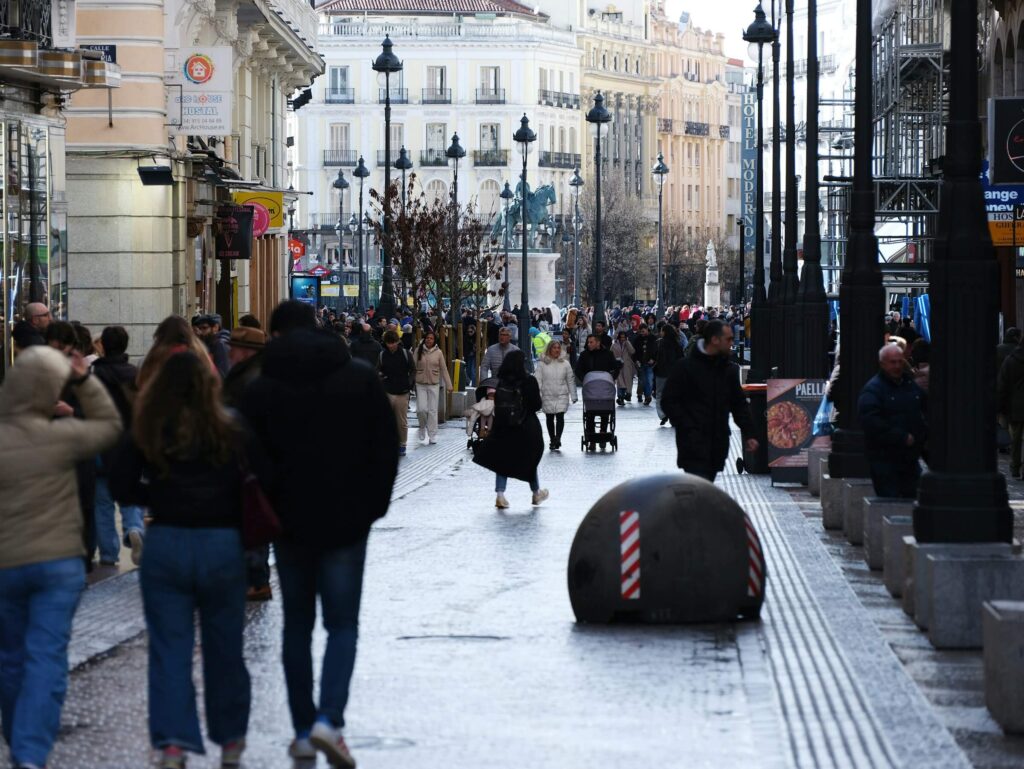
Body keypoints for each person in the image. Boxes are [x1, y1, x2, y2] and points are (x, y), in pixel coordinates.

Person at [240, 300, 398, 769]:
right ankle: (331, 719)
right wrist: (373, 506)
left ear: (275, 336)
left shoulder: (262, 387)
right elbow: (384, 447)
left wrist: (272, 503)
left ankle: (304, 730)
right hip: (348, 522)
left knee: (297, 626)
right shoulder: (359, 378)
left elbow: (250, 456)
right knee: (342, 625)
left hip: (289, 523)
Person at [111, 351, 263, 769]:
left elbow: (121, 482)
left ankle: (174, 742)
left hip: (168, 540)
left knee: (169, 648)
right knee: (225, 646)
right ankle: (231, 738)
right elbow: (257, 482)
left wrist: (156, 496)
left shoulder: (148, 429)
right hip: (221, 543)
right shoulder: (232, 428)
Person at [0, 346, 121, 769]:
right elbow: (109, 427)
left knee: (10, 655)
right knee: (46, 654)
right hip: (58, 562)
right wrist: (85, 381)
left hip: (6, 563)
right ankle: (29, 752)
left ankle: (17, 735)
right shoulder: (61, 436)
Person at [660, 320, 758, 482]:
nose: (731, 344)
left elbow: (739, 404)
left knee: (705, 485)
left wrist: (750, 434)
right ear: (714, 340)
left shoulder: (728, 370)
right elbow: (668, 401)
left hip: (717, 443)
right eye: (728, 339)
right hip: (692, 443)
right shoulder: (685, 368)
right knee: (698, 487)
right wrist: (687, 425)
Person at [92, 325, 146, 567]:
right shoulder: (134, 374)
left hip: (102, 444)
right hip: (129, 444)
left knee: (102, 502)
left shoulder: (95, 376)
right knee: (130, 493)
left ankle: (108, 554)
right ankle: (134, 527)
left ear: (102, 345)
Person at [471, 350, 548, 508]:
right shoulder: (529, 381)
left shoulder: (500, 382)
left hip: (504, 427)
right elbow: (536, 405)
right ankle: (536, 492)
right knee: (529, 459)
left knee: (502, 459)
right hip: (525, 426)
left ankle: (500, 494)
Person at [858, 343, 928, 498]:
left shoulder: (909, 385)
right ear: (882, 364)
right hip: (885, 459)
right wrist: (901, 437)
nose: (897, 366)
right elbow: (871, 422)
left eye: (899, 361)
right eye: (892, 362)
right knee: (891, 503)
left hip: (910, 458)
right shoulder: (874, 389)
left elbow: (924, 408)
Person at [535, 339, 577, 451]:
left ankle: (557, 438)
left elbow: (570, 380)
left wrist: (573, 395)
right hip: (547, 394)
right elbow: (538, 380)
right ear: (549, 349)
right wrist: (537, 395)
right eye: (554, 348)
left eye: (558, 348)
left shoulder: (565, 363)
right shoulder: (542, 364)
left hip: (561, 394)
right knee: (549, 417)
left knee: (560, 416)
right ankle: (552, 439)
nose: (557, 350)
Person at [379, 328, 415, 457]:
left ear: (397, 341)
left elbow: (413, 370)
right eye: (389, 343)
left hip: (402, 391)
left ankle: (402, 444)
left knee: (401, 421)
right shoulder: (383, 355)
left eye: (393, 342)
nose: (391, 345)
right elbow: (379, 370)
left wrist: (409, 384)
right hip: (388, 390)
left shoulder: (406, 354)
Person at [414, 329, 453, 446]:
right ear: (424, 339)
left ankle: (432, 434)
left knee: (432, 411)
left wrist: (449, 385)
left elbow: (444, 369)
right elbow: (412, 365)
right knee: (421, 409)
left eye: (431, 338)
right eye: (427, 338)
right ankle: (422, 427)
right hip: (420, 383)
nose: (429, 340)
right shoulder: (418, 350)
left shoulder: (439, 352)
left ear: (434, 340)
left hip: (434, 384)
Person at [222, 326, 266, 409]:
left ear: (245, 352)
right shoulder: (249, 371)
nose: (229, 354)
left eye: (233, 350)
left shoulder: (248, 379)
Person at [999, 336, 1024, 478]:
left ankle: (1015, 467)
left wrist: (1001, 405)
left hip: (1015, 406)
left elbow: (1003, 384)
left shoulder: (1010, 360)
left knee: (1015, 438)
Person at [654, 323, 683, 425]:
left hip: (662, 373)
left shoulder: (661, 343)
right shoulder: (677, 343)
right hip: (674, 373)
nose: (660, 332)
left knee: (660, 394)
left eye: (662, 330)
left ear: (665, 332)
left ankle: (663, 414)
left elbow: (659, 358)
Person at [632, 324, 658, 406]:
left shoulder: (653, 338)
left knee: (649, 381)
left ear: (647, 329)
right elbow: (634, 352)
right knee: (642, 381)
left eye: (643, 331)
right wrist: (636, 360)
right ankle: (643, 395)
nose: (642, 333)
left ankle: (647, 397)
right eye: (640, 332)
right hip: (641, 363)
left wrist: (653, 359)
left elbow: (657, 351)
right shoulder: (637, 339)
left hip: (650, 364)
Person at [611, 330, 636, 406]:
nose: (622, 339)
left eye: (624, 337)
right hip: (618, 366)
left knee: (627, 381)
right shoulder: (614, 345)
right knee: (620, 382)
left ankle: (627, 394)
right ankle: (620, 397)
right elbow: (610, 354)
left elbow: (632, 351)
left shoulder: (627, 344)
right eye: (621, 337)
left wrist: (627, 342)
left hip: (627, 365)